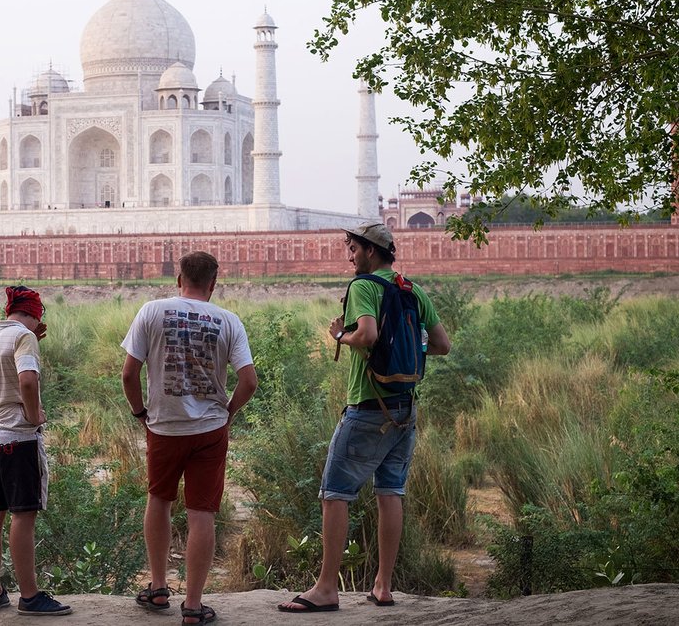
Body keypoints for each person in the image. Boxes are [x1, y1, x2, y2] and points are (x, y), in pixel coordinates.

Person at [278, 221, 450, 614]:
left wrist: (342, 337)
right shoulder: (412, 288)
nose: (349, 255)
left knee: (336, 493)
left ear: (371, 251)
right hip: (405, 408)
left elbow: (368, 335)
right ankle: (383, 586)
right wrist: (408, 353)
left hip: (369, 408)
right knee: (390, 492)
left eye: (352, 248)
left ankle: (325, 589)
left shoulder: (364, 287)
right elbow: (442, 345)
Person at [122, 251, 258, 626]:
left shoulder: (152, 311)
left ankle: (159, 587)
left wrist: (140, 414)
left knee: (159, 500)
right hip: (210, 430)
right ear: (214, 284)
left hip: (163, 426)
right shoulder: (228, 320)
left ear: (178, 278)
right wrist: (226, 414)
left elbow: (128, 375)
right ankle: (194, 606)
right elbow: (249, 382)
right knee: (201, 513)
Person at [0, 285, 71, 616]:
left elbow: (4, 371)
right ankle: (29, 596)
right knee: (23, 516)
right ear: (34, 314)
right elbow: (27, 381)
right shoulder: (24, 338)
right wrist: (34, 415)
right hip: (18, 438)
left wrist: (30, 339)